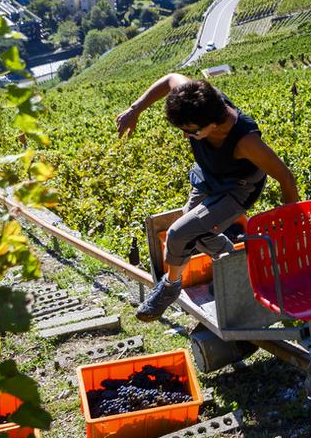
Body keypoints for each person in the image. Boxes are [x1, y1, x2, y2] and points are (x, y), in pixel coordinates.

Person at [116, 74, 299, 321]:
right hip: (208, 175)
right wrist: (134, 110)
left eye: (190, 132)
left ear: (213, 124)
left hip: (236, 188)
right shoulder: (198, 97)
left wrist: (292, 227)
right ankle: (234, 259)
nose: (185, 136)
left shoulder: (245, 141)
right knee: (194, 232)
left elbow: (286, 177)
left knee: (179, 233)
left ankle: (170, 287)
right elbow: (170, 78)